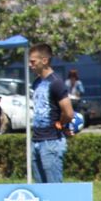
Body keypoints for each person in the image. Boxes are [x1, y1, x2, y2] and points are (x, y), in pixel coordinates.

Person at [28, 43, 74, 183]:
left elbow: (68, 113)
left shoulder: (56, 82)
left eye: (33, 61)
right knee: (40, 189)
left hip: (51, 141)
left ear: (44, 60)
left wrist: (60, 124)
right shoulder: (36, 82)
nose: (30, 65)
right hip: (36, 139)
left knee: (54, 189)